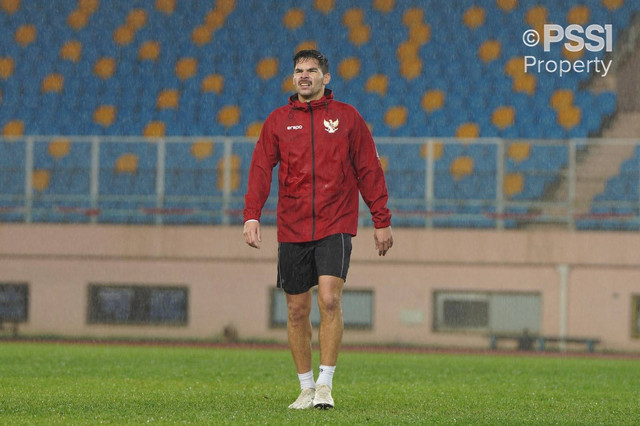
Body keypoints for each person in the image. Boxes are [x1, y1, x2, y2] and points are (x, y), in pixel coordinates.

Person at [243, 49, 393, 410]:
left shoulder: (347, 118)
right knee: (296, 310)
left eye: (312, 70)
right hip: (292, 226)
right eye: (298, 70)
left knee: (329, 298)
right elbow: (261, 169)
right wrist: (251, 214)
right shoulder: (278, 121)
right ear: (293, 78)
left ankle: (325, 384)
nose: (304, 76)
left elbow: (369, 169)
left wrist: (381, 219)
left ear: (327, 78)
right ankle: (306, 387)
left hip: (335, 221)